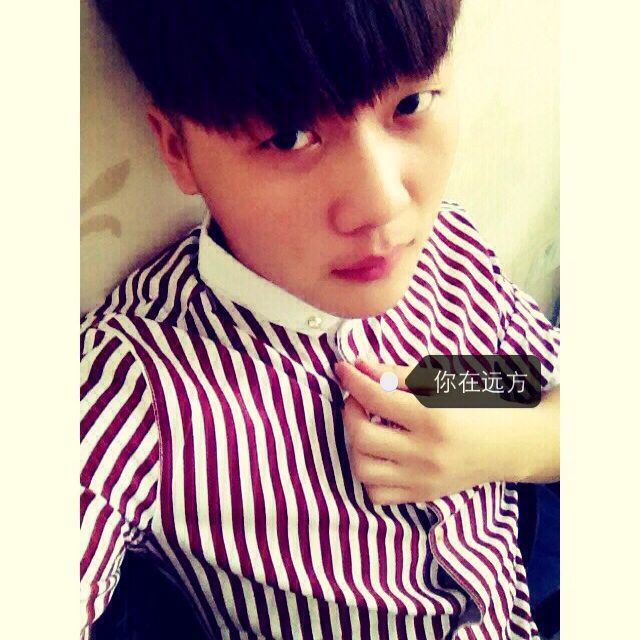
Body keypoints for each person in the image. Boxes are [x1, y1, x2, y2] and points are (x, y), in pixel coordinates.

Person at [80, 1, 560, 638]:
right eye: (287, 137)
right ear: (177, 147)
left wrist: (501, 447)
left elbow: (531, 388)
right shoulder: (132, 383)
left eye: (411, 104)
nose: (382, 203)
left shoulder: (449, 250)